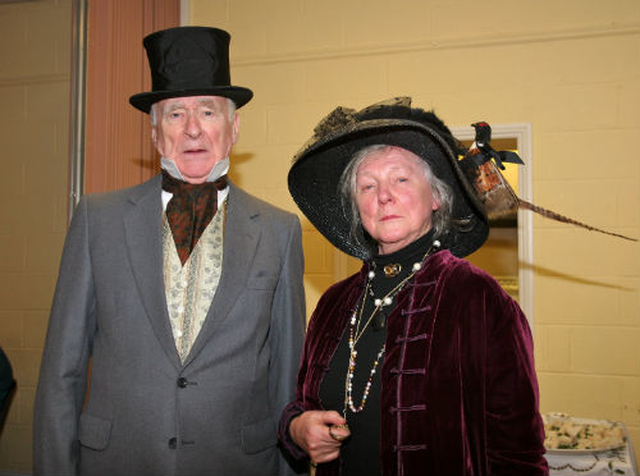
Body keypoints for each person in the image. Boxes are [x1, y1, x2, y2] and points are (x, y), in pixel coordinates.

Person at [33, 26, 306, 476]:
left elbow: (287, 379)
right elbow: (61, 372)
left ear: (234, 127)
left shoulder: (279, 231)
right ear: (155, 132)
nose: (194, 128)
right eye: (176, 114)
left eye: (208, 112)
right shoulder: (96, 221)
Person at [278, 97, 548, 475]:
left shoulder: (479, 300)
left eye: (400, 179)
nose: (383, 196)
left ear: (437, 196)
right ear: (357, 206)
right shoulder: (333, 304)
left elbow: (517, 458)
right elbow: (302, 404)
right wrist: (297, 427)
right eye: (367, 186)